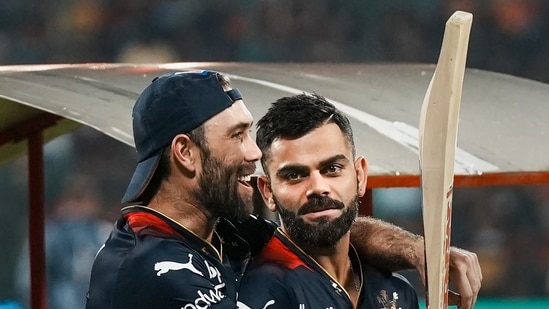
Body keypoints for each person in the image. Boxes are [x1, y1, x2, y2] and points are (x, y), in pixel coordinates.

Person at [86, 70, 481, 309]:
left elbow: (325, 226)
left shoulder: (218, 229)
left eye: (332, 169)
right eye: (238, 136)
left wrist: (417, 251)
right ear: (186, 153)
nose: (253, 151)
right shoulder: (150, 269)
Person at [237, 93, 420, 308]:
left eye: (332, 169)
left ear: (360, 175)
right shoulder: (259, 294)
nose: (318, 188)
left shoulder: (397, 293)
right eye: (295, 175)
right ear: (268, 192)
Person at [16, 175, 111, 309]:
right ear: (60, 204)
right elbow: (28, 281)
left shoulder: (107, 234)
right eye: (71, 199)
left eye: (81, 200)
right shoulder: (46, 235)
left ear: (95, 203)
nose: (76, 207)